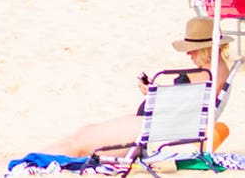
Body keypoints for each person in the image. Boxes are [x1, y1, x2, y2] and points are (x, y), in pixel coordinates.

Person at [40, 17, 232, 158]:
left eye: (193, 49)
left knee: (80, 143)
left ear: (208, 47)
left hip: (151, 129)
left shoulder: (207, 74)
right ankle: (36, 156)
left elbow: (181, 111)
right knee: (84, 133)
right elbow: (185, 105)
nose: (188, 53)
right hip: (153, 124)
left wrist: (154, 93)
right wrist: (156, 92)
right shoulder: (215, 70)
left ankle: (33, 160)